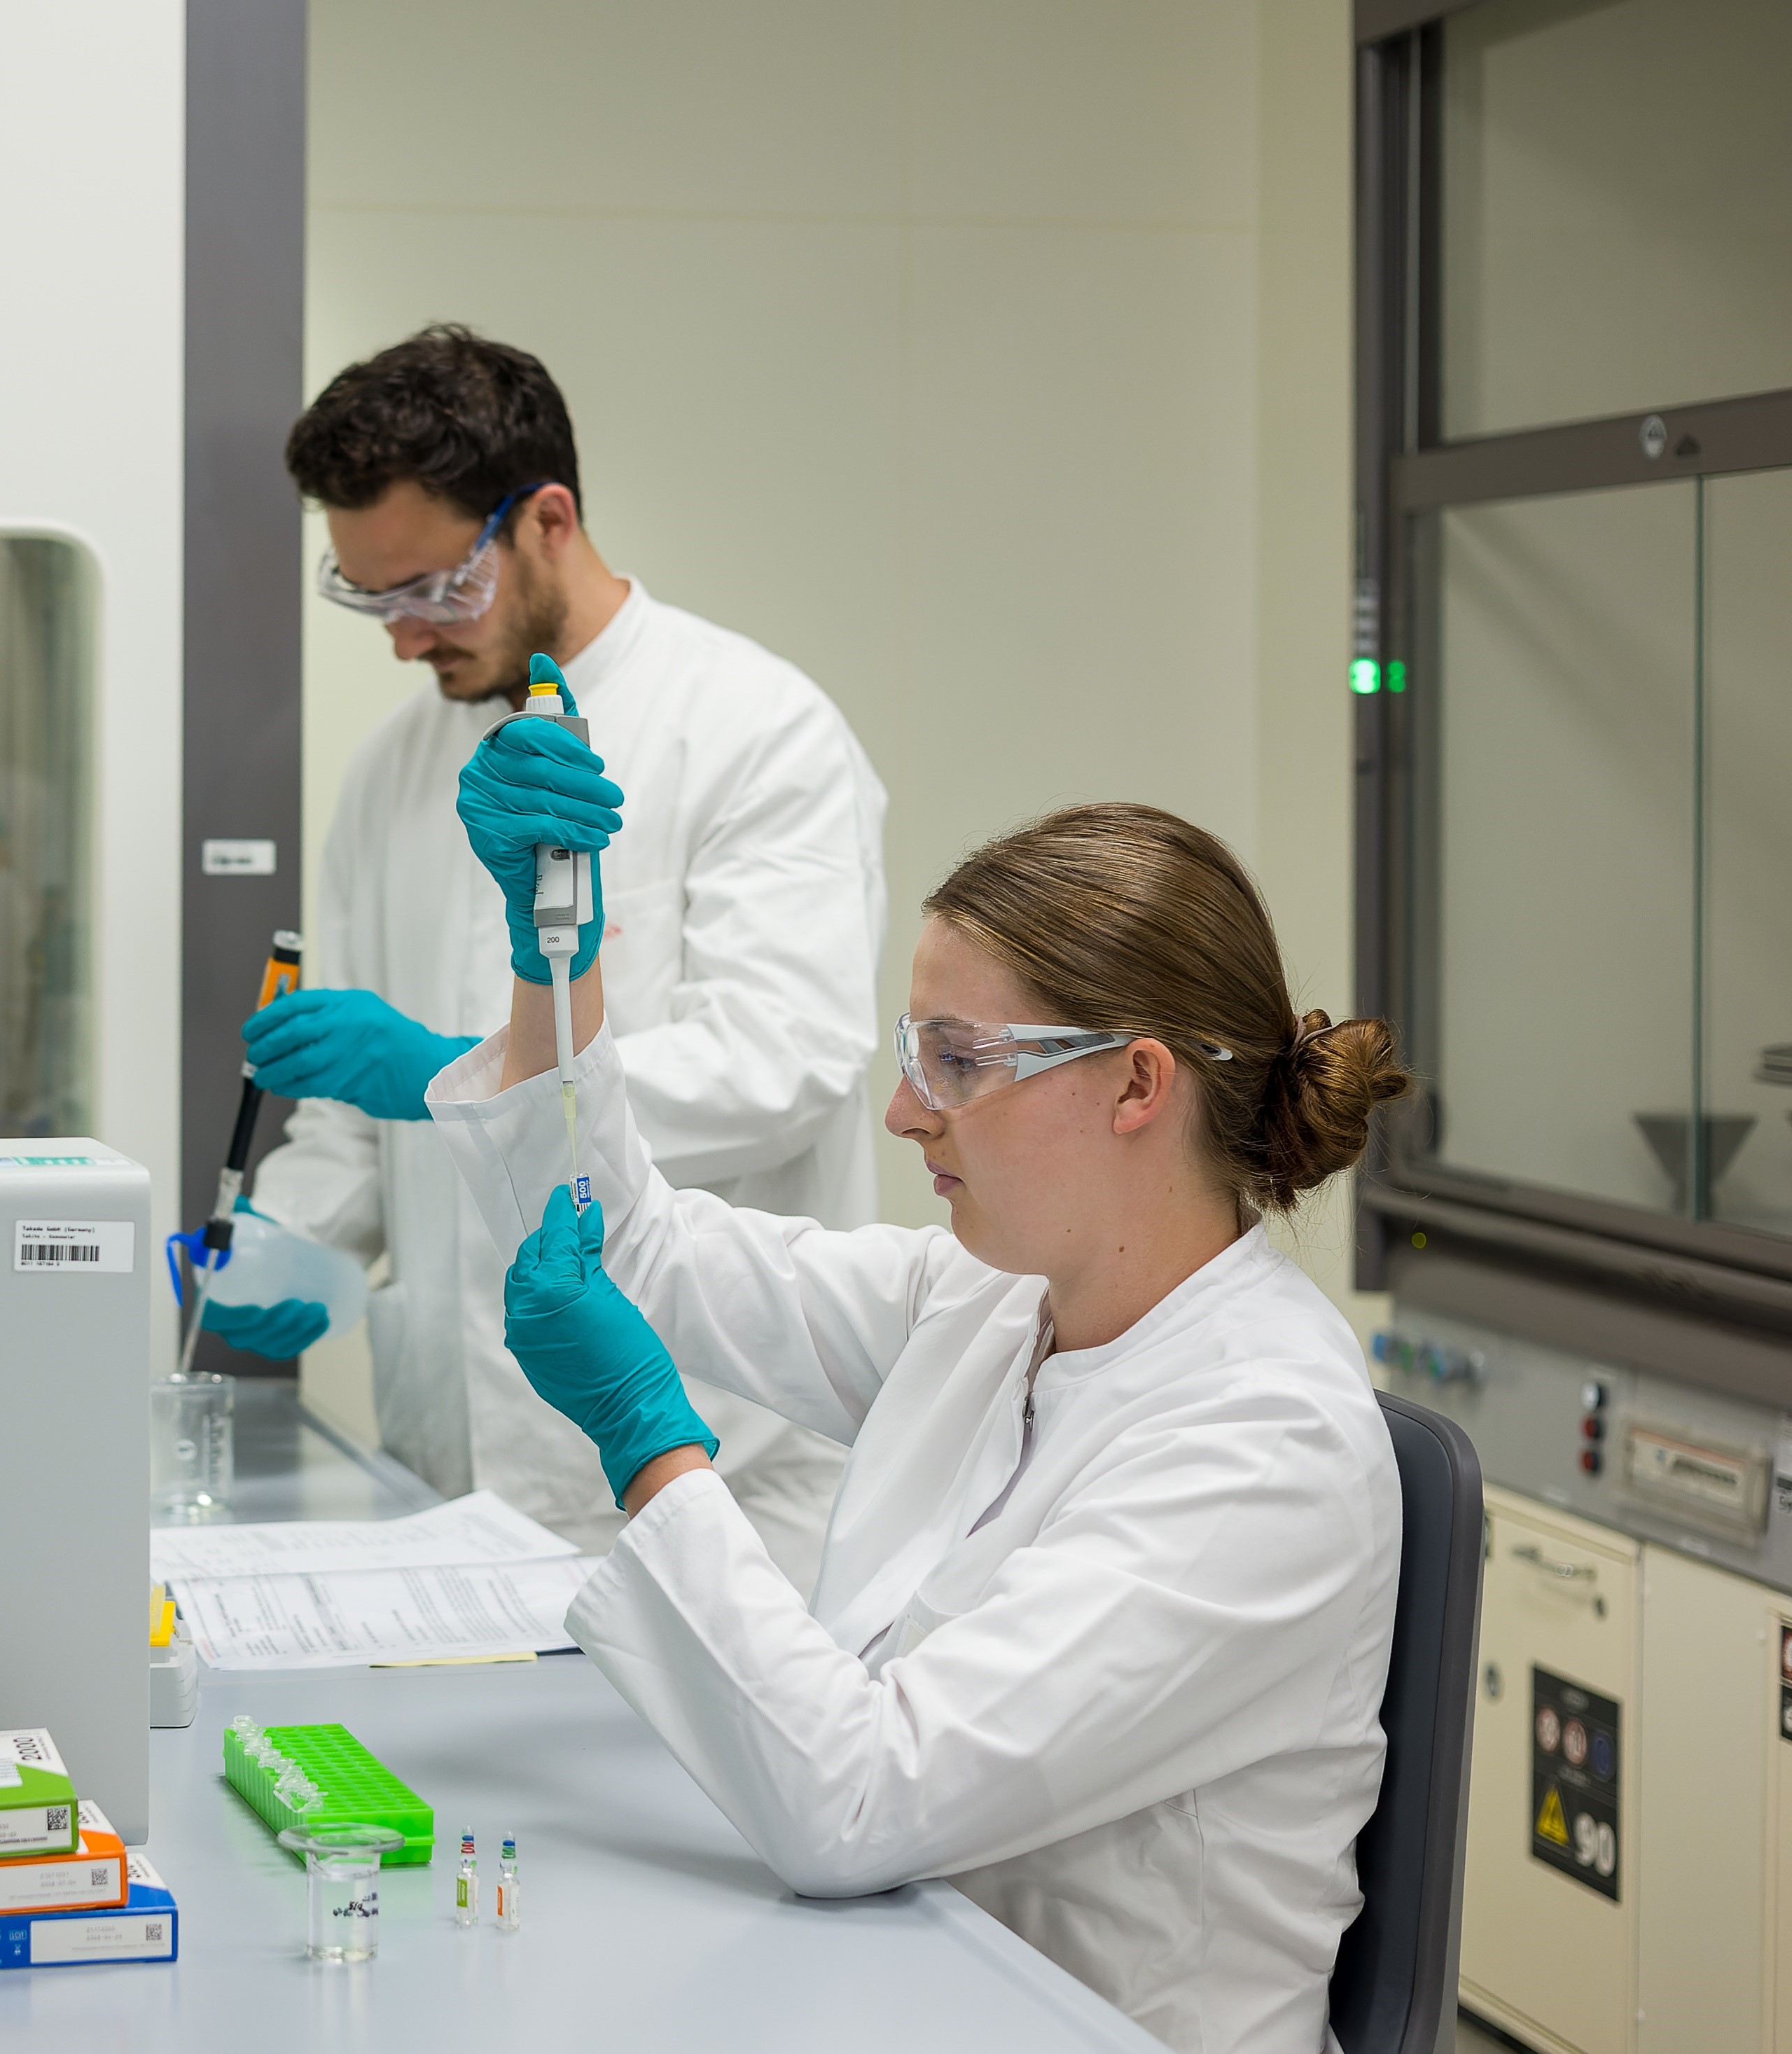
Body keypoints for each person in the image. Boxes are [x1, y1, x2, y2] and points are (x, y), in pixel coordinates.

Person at [426, 751, 1415, 2054]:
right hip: (892, 1984)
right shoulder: (994, 1304)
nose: (905, 1110)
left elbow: (857, 1802)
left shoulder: (1268, 1442)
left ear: (1136, 1083)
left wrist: (653, 1447)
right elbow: (634, 1251)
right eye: (913, 1052)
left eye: (957, 1058)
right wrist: (554, 969)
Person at [211, 324, 884, 1569]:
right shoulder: (390, 771)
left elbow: (784, 1064)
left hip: (709, 1462)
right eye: (374, 597)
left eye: (435, 589)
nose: (407, 639)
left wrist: (455, 1065)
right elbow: (359, 1126)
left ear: (549, 521)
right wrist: (284, 1239)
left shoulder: (753, 731)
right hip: (448, 1469)